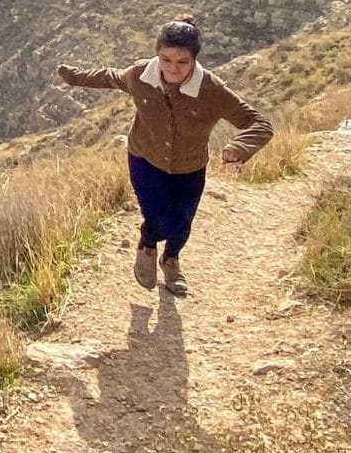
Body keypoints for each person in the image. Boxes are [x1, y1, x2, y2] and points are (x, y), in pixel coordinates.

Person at [58, 17, 272, 294]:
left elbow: (259, 123)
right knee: (157, 219)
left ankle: (171, 260)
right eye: (165, 59)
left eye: (182, 62)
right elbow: (110, 77)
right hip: (144, 158)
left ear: (194, 59)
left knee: (181, 224)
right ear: (157, 54)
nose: (172, 68)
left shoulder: (212, 90)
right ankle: (147, 244)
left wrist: (240, 147)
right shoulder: (140, 75)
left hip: (190, 166)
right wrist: (74, 77)